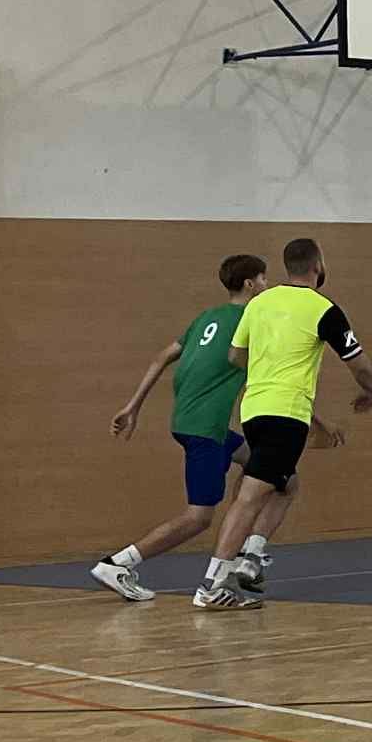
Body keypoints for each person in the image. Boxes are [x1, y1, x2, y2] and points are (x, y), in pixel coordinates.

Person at [92, 254, 321, 601]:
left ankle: (244, 553)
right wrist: (317, 422)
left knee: (282, 479)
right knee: (198, 518)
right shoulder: (254, 319)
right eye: (263, 279)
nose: (267, 285)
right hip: (205, 429)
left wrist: (133, 406)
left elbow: (162, 356)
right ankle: (118, 564)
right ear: (250, 284)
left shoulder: (207, 317)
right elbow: (277, 378)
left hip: (190, 421)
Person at [197, 238, 372, 610]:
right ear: (318, 265)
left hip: (254, 410)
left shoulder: (260, 303)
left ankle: (251, 559)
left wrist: (266, 371)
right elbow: (358, 363)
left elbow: (235, 355)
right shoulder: (324, 309)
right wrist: (370, 391)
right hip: (286, 415)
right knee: (251, 496)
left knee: (286, 485)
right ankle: (212, 584)